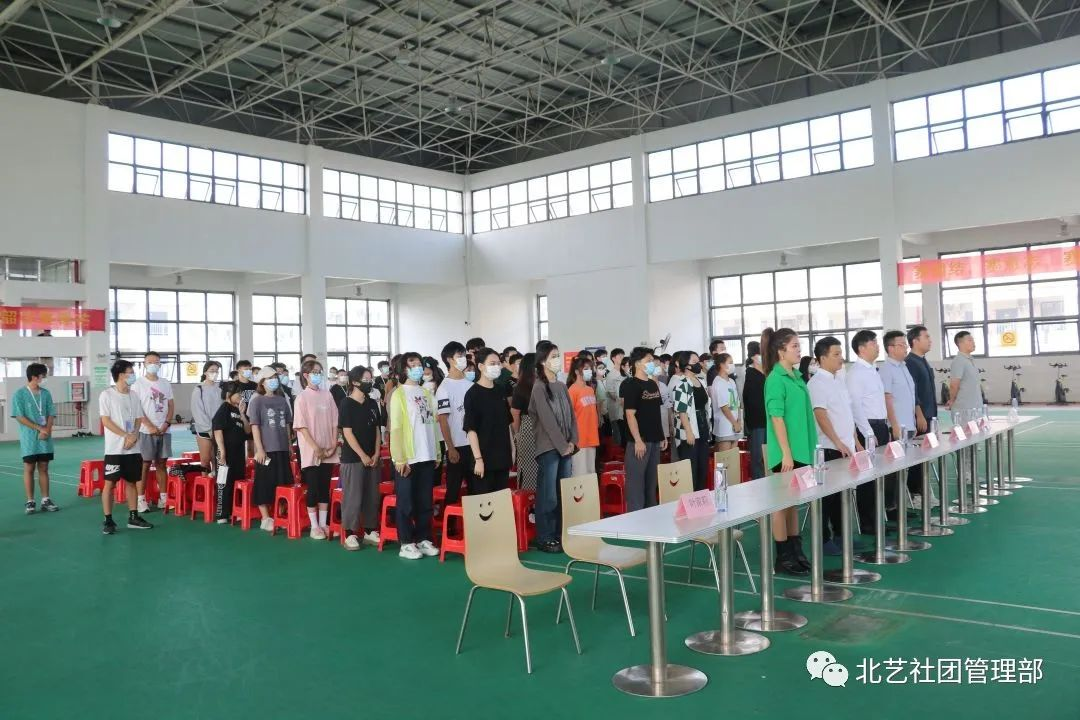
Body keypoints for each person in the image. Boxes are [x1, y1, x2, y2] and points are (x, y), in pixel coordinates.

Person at [762, 327, 813, 576]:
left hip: (801, 449)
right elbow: (777, 418)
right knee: (781, 505)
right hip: (786, 453)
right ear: (781, 351)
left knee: (794, 503)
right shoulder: (775, 379)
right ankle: (782, 556)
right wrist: (785, 453)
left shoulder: (796, 376)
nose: (799, 350)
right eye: (794, 346)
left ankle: (796, 549)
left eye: (799, 345)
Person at [807, 337, 861, 556]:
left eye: (841, 353)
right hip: (829, 448)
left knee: (842, 495)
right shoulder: (817, 383)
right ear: (822, 358)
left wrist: (856, 441)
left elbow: (847, 414)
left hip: (845, 446)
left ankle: (841, 534)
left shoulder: (838, 380)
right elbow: (820, 415)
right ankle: (823, 540)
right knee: (826, 498)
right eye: (836, 354)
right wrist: (838, 442)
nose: (841, 358)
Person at [389, 352, 442, 560]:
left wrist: (437, 452)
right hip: (409, 457)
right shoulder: (399, 394)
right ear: (404, 369)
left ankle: (423, 538)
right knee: (406, 503)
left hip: (427, 454)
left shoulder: (426, 393)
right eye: (412, 364)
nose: (418, 368)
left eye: (419, 364)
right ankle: (406, 542)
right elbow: (396, 428)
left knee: (425, 501)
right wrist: (399, 458)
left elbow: (433, 424)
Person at [530, 341, 578, 552]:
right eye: (553, 357)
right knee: (548, 494)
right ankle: (545, 536)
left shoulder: (561, 386)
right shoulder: (539, 388)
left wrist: (573, 441)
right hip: (549, 448)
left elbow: (572, 416)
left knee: (562, 492)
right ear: (543, 361)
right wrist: (562, 445)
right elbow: (547, 421)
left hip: (566, 447)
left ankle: (559, 532)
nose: (557, 360)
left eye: (558, 355)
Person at [98, 360, 153, 534]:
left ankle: (133, 517)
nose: (133, 375)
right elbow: (106, 420)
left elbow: (138, 418)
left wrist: (134, 435)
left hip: (133, 448)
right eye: (130, 372)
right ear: (121, 374)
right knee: (110, 484)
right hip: (114, 449)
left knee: (132, 482)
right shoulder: (106, 395)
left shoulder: (134, 395)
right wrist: (125, 435)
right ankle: (108, 520)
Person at [847, 329, 893, 532]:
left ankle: (877, 518)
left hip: (879, 426)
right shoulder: (856, 373)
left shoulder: (873, 370)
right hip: (868, 428)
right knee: (867, 477)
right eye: (873, 343)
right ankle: (867, 522)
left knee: (879, 474)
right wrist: (867, 432)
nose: (877, 346)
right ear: (862, 348)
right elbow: (855, 406)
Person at [293, 360, 340, 540]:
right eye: (314, 372)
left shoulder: (327, 395)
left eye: (320, 371)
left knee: (324, 487)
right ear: (306, 375)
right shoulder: (302, 398)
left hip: (329, 449)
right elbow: (301, 426)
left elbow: (335, 422)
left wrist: (333, 444)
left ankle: (323, 523)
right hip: (311, 450)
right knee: (313, 488)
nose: (318, 375)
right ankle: (314, 526)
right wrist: (316, 448)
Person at [338, 366, 383, 550]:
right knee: (353, 497)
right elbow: (347, 433)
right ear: (355, 382)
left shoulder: (372, 403)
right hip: (353, 458)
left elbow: (377, 429)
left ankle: (370, 531)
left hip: (373, 458)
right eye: (366, 379)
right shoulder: (346, 404)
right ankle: (350, 533)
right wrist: (362, 455)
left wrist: (377, 453)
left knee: (372, 496)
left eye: (371, 379)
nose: (370, 382)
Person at [621, 346, 667, 512]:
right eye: (649, 361)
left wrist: (662, 435)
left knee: (651, 483)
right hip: (639, 442)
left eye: (652, 361)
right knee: (636, 485)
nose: (652, 364)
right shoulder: (631, 385)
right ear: (638, 364)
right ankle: (635, 519)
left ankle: (650, 517)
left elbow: (656, 413)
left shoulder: (653, 384)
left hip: (654, 439)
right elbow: (630, 415)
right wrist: (638, 440)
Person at [247, 367, 293, 532]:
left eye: (275, 377)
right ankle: (265, 518)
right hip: (266, 450)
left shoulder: (282, 400)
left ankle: (279, 515)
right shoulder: (257, 401)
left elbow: (287, 425)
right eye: (270, 378)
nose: (274, 380)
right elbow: (255, 427)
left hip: (282, 448)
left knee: (282, 481)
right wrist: (259, 449)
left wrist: (289, 444)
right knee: (264, 482)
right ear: (262, 382)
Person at [464, 348, 516, 493]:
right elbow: (471, 429)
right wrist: (478, 459)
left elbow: (507, 423)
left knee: (501, 500)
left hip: (502, 457)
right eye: (492, 364)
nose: (497, 367)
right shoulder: (472, 394)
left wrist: (512, 450)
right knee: (486, 502)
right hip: (484, 459)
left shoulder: (500, 390)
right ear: (481, 366)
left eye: (498, 363)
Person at [12, 363, 58, 514]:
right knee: (29, 468)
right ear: (34, 377)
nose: (45, 378)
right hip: (29, 438)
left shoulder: (46, 394)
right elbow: (19, 416)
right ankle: (30, 501)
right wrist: (39, 428)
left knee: (44, 467)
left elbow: (51, 413)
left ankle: (46, 500)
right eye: (43, 375)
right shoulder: (19, 394)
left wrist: (47, 430)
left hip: (45, 437)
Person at [132, 351, 173, 513]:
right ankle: (141, 499)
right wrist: (149, 426)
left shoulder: (165, 383)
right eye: (150, 362)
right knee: (145, 464)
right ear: (144, 364)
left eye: (156, 362)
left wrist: (166, 423)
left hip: (164, 430)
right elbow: (137, 408)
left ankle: (164, 498)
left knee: (162, 463)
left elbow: (171, 405)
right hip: (145, 431)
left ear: (160, 364)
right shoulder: (138, 384)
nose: (153, 365)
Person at [436, 341, 474, 504]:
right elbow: (443, 420)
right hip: (457, 445)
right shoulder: (444, 388)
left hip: (474, 444)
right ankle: (449, 520)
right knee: (453, 489)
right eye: (459, 356)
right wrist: (450, 447)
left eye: (464, 355)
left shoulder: (471, 385)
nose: (463, 358)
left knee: (476, 490)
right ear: (449, 359)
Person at [905, 325, 938, 508]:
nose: (930, 340)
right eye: (926, 337)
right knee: (917, 458)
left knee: (926, 456)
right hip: (921, 419)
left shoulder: (922, 361)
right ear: (915, 341)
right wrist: (919, 414)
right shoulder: (910, 362)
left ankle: (923, 492)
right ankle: (915, 495)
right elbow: (913, 393)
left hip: (930, 416)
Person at [671, 351, 712, 491]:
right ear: (686, 365)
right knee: (691, 469)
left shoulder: (701, 381)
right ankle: (690, 499)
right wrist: (689, 432)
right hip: (688, 430)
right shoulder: (681, 384)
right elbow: (681, 411)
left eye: (698, 361)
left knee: (702, 467)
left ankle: (701, 497)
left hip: (703, 426)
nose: (698, 364)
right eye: (694, 362)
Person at [212, 381, 249, 524]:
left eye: (241, 393)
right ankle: (222, 513)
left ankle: (236, 510)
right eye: (237, 393)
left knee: (237, 480)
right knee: (224, 482)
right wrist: (222, 452)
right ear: (229, 394)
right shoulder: (224, 409)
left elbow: (247, 431)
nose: (240, 395)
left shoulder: (239, 410)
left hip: (238, 453)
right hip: (225, 452)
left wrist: (243, 415)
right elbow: (218, 431)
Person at [566, 356, 600, 478]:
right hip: (579, 440)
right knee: (580, 473)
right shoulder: (572, 390)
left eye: (590, 368)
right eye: (585, 369)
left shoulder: (590, 389)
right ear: (576, 371)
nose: (589, 371)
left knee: (591, 472)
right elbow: (568, 416)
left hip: (592, 437)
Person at [510, 352, 538, 492]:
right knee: (529, 466)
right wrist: (518, 434)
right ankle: (530, 499)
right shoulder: (520, 388)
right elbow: (515, 413)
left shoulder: (544, 384)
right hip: (528, 429)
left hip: (543, 429)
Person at [190, 361, 223, 474]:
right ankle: (204, 481)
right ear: (205, 372)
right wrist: (209, 428)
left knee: (217, 459)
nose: (215, 373)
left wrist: (218, 428)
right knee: (205, 459)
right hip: (204, 429)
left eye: (217, 371)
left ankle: (216, 481)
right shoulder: (199, 389)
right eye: (212, 370)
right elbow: (197, 411)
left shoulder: (220, 390)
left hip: (218, 429)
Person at [743, 341, 767, 480]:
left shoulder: (765, 373)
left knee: (767, 453)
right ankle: (758, 480)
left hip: (767, 419)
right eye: (760, 354)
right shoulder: (751, 373)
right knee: (757, 455)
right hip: (757, 421)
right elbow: (750, 401)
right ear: (753, 357)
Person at [710, 352, 742, 451]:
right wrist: (734, 423)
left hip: (736, 426)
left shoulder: (731, 381)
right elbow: (724, 407)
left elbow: (737, 403)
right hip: (724, 426)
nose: (733, 365)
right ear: (722, 365)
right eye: (730, 362)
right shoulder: (718, 382)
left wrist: (739, 421)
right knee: (725, 458)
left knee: (733, 457)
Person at [948, 331, 983, 418]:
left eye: (973, 340)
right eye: (970, 340)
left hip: (975, 407)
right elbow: (954, 385)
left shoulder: (970, 360)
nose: (973, 342)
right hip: (964, 409)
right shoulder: (959, 361)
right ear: (960, 343)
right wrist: (951, 401)